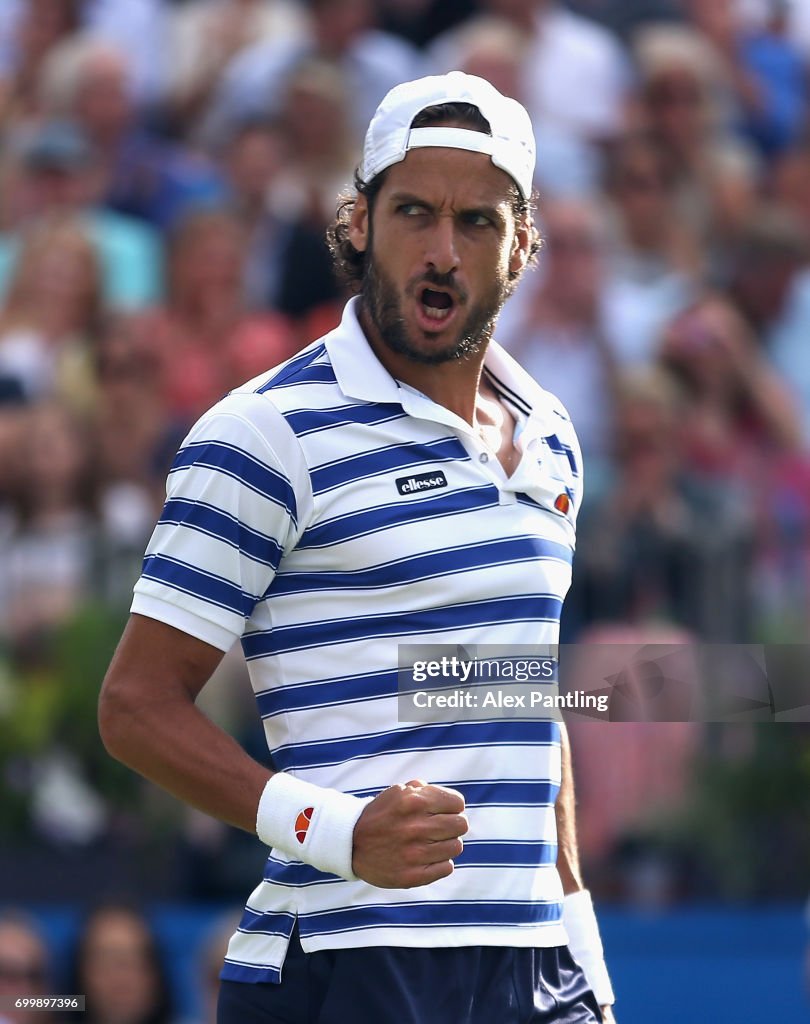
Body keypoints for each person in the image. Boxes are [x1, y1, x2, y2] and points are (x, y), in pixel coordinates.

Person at [99, 72, 616, 1023]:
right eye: (414, 212)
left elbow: (523, 700)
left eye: (477, 223)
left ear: (524, 246)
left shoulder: (551, 433)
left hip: (538, 972)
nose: (442, 251)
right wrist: (333, 831)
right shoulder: (262, 434)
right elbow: (133, 708)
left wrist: (583, 953)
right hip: (346, 964)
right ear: (360, 222)